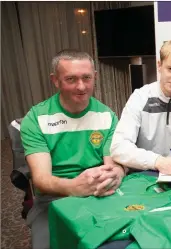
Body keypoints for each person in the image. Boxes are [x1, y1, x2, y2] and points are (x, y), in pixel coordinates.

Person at [20, 49, 126, 249]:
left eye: (87, 78)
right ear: (55, 80)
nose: (81, 86)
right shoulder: (36, 119)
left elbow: (112, 165)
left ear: (95, 77)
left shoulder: (107, 116)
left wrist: (117, 172)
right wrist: (74, 187)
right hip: (54, 199)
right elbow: (42, 180)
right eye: (71, 79)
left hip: (98, 192)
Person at [110, 39, 171, 175]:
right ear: (159, 66)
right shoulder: (140, 97)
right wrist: (158, 162)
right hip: (146, 174)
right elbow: (118, 147)